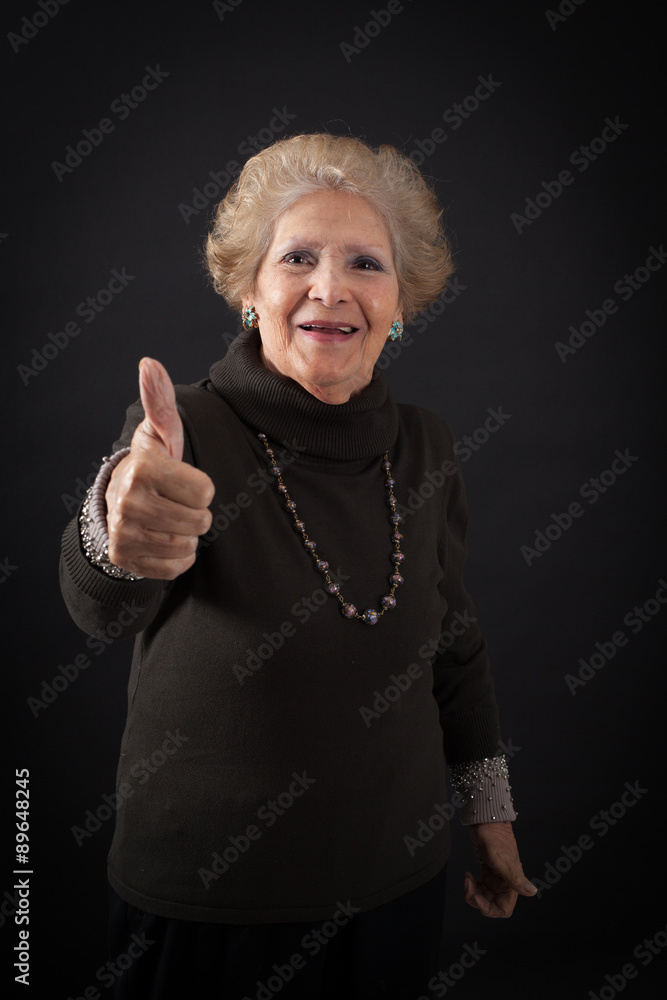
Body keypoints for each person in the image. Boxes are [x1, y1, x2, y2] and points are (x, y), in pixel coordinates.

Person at [60, 133, 536, 999]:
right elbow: (103, 605)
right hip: (206, 907)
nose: (330, 287)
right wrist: (114, 526)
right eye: (297, 258)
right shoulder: (181, 431)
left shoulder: (426, 444)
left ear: (401, 303)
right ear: (249, 290)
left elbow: (455, 646)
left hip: (394, 892)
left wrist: (488, 812)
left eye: (365, 263)